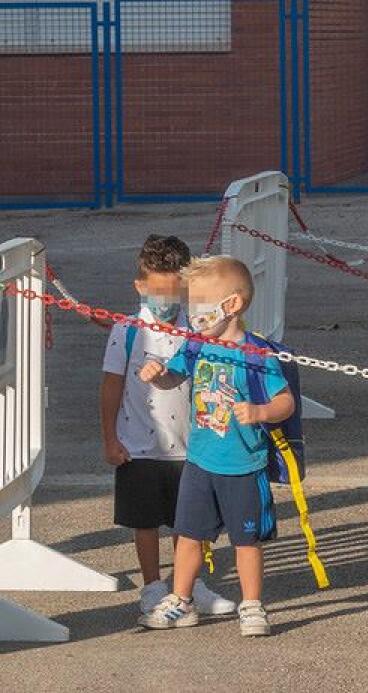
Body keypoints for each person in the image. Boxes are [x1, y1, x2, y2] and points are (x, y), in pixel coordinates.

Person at [137, 256, 294, 637]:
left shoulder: (256, 354)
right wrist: (157, 375)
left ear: (232, 305)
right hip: (200, 462)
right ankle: (180, 599)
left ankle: (253, 605)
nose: (193, 312)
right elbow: (174, 376)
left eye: (201, 302)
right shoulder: (196, 347)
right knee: (189, 536)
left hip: (243, 465)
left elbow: (285, 401)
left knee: (247, 540)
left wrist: (259, 412)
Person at [100, 235, 235, 616]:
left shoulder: (199, 329)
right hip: (138, 444)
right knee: (145, 522)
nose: (163, 300)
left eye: (172, 291)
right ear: (140, 287)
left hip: (192, 445)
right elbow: (110, 387)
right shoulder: (125, 330)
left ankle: (189, 586)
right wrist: (110, 438)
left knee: (189, 522)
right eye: (156, 291)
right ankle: (152, 586)